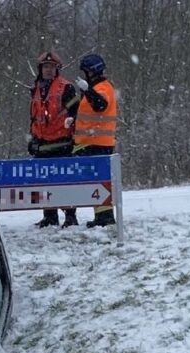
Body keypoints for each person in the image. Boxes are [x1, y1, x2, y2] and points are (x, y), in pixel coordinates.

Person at [28, 52, 80, 228]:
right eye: (45, 66)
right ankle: (49, 216)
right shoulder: (36, 88)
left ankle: (70, 216)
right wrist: (33, 138)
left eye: (51, 67)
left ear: (57, 69)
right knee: (44, 182)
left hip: (62, 143)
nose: (48, 70)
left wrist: (72, 124)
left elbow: (76, 112)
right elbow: (34, 116)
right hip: (41, 144)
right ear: (40, 69)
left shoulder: (66, 87)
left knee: (65, 181)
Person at [73, 54, 117, 228]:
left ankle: (105, 217)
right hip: (91, 142)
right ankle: (101, 216)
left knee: (99, 182)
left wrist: (87, 91)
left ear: (92, 72)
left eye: (86, 72)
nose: (84, 75)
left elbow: (100, 106)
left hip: (97, 143)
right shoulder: (97, 88)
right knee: (97, 182)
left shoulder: (103, 88)